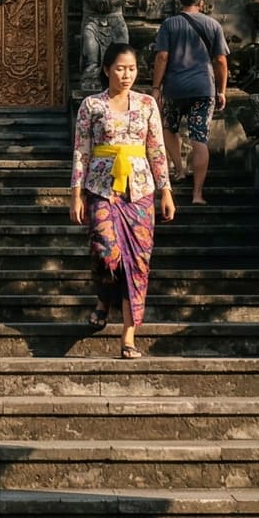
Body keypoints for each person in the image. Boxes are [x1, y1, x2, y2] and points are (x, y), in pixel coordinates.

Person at [70, 41, 175, 359]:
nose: (127, 74)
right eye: (120, 68)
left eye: (131, 68)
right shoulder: (91, 105)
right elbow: (81, 150)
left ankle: (128, 336)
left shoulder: (146, 104)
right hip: (101, 188)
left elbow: (156, 148)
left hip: (139, 190)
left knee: (137, 263)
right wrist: (75, 194)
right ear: (106, 69)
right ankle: (104, 297)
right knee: (107, 253)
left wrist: (165, 190)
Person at [150, 0, 229, 205]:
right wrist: (221, 91)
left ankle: (179, 168)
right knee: (199, 138)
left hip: (175, 88)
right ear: (201, 2)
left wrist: (156, 87)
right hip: (204, 89)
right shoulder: (213, 25)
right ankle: (197, 194)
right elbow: (221, 61)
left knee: (168, 127)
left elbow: (162, 57)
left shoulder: (169, 24)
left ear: (179, 1)